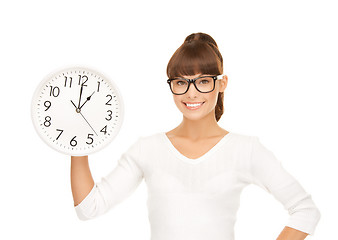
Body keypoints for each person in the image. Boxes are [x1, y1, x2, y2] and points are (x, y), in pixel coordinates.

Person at [71, 32, 321, 240]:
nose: (191, 93)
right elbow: (88, 208)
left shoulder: (245, 149)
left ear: (221, 84)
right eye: (181, 82)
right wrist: (76, 141)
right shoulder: (147, 149)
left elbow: (305, 210)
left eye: (202, 81)